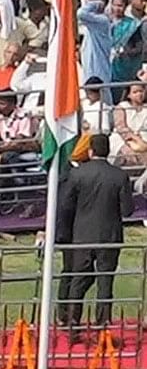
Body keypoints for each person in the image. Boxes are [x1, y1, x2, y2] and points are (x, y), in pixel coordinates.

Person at [52, 137, 131, 332]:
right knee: (106, 281)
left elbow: (66, 205)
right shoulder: (119, 176)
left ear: (90, 151)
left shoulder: (77, 174)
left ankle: (72, 323)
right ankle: (102, 324)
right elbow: (127, 210)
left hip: (82, 235)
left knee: (78, 280)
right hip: (109, 235)